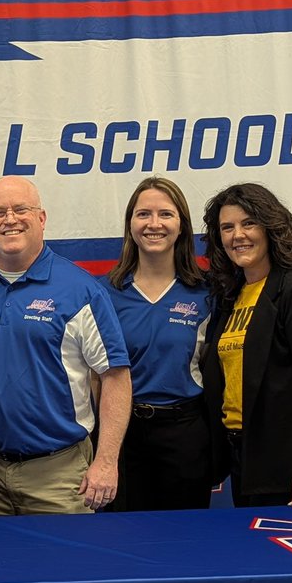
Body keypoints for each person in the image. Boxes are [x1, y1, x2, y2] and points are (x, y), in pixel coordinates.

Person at [0, 175, 131, 514]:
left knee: (67, 552)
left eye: (20, 209)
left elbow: (115, 377)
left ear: (41, 218)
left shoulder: (81, 291)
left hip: (59, 476)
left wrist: (106, 460)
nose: (10, 219)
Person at [201, 182, 292, 512]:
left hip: (285, 463)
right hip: (241, 456)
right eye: (227, 228)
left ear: (270, 227)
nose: (238, 235)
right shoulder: (230, 296)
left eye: (249, 223)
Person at [104, 176, 213, 510]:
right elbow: (94, 375)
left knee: (185, 534)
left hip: (185, 433)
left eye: (165, 214)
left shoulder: (207, 292)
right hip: (123, 435)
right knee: (124, 534)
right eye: (143, 214)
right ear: (130, 224)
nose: (154, 224)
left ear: (182, 226)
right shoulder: (105, 293)